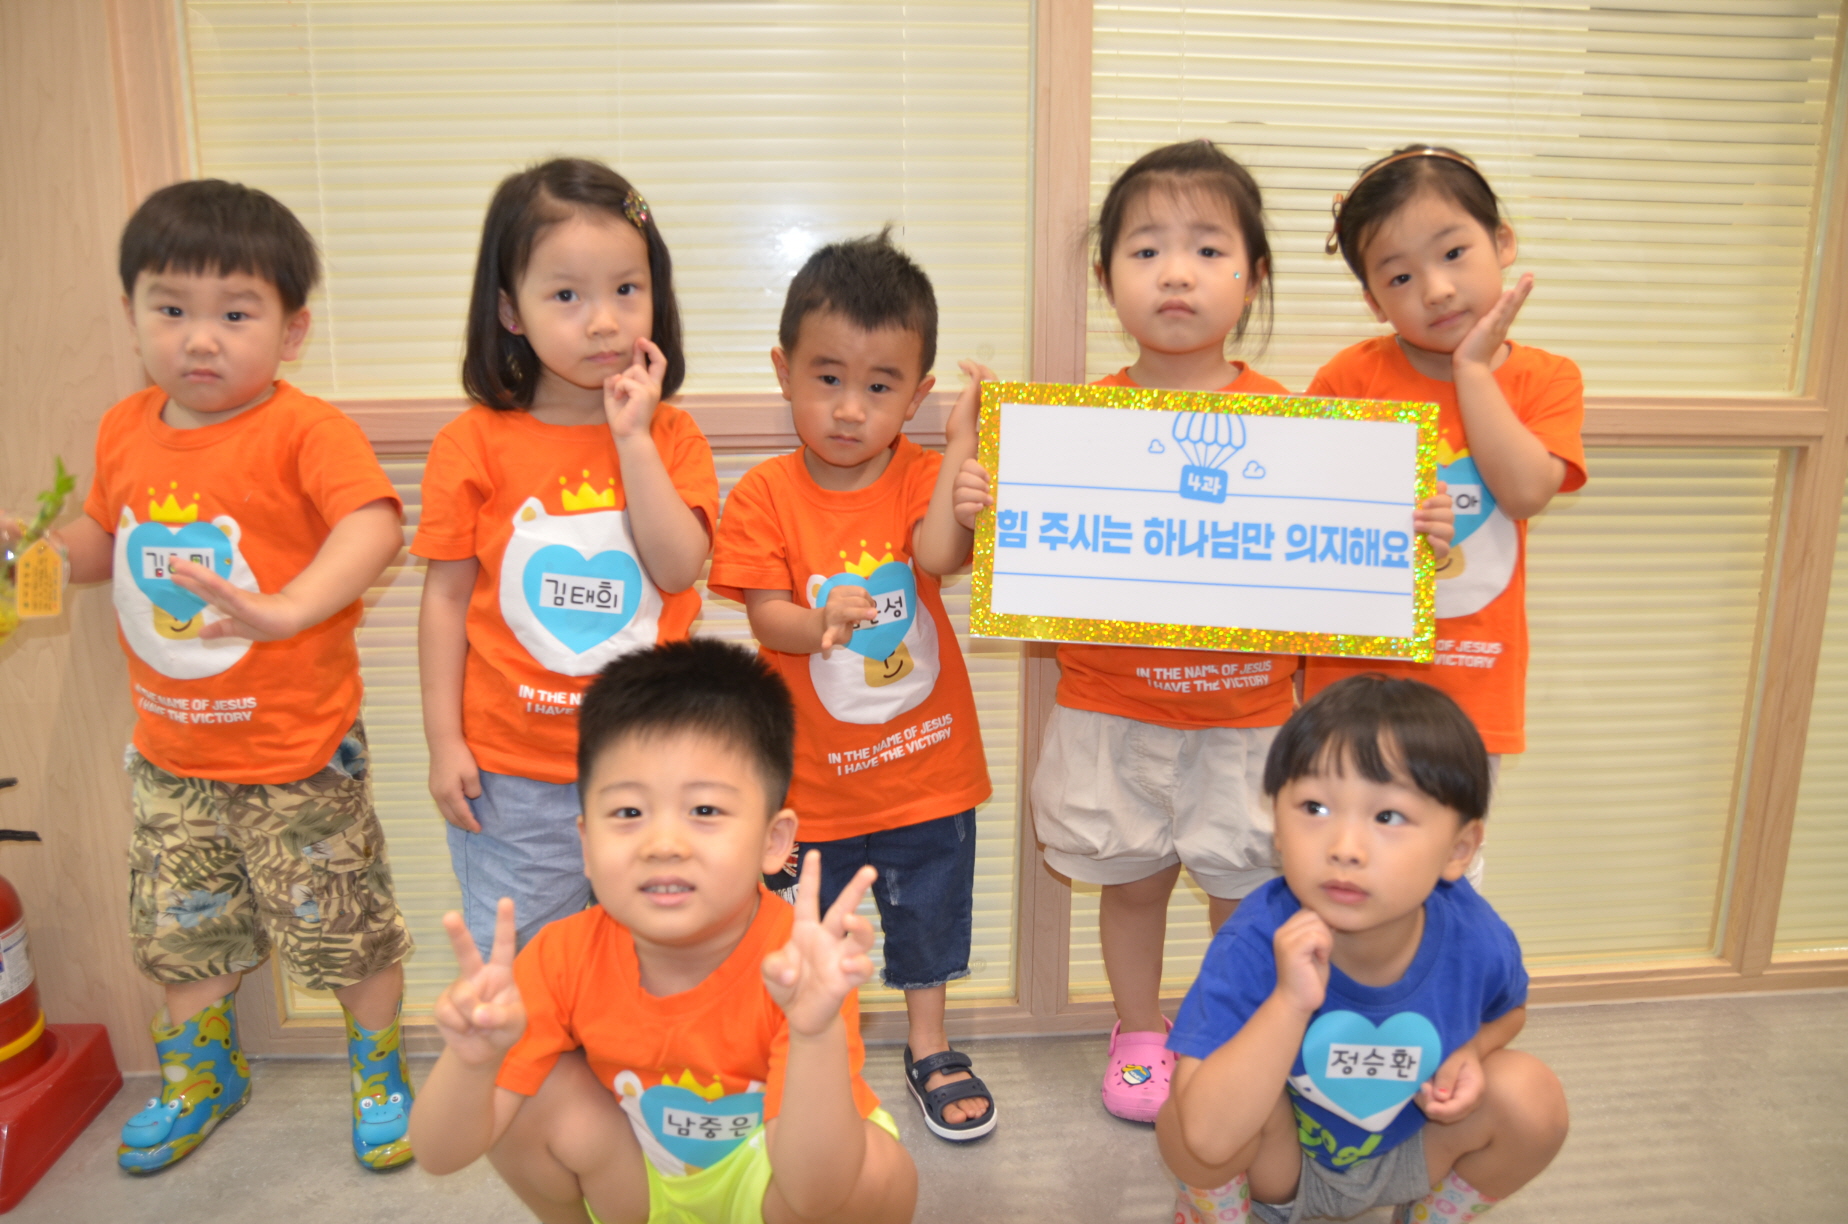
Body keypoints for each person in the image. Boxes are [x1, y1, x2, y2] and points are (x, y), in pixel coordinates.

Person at [1024, 140, 1455, 1123]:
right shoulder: (1071, 429)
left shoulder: (1301, 429)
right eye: (1146, 251)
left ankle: (1228, 1038)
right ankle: (1140, 1033)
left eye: (1209, 250)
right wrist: (988, 505)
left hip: (1251, 720)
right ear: (1106, 279)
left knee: (1245, 896)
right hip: (1110, 711)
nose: (1176, 273)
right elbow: (1037, 551)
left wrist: (1413, 540)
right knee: (1132, 886)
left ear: (1253, 275)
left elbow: (1347, 567)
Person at [52, 179, 415, 1171]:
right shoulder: (125, 428)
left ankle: (380, 1072)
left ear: (291, 331)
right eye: (171, 309)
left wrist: (291, 606)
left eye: (235, 315)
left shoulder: (305, 430)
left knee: (344, 930)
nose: (200, 339)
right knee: (183, 933)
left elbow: (374, 525)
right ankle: (204, 1077)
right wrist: (37, 554)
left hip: (298, 755)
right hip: (172, 757)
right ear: (132, 312)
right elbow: (104, 538)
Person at [409, 638, 916, 1224]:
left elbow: (816, 1197)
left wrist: (814, 1032)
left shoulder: (803, 969)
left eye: (705, 811)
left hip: (778, 1179)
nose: (663, 844)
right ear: (585, 844)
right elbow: (439, 1156)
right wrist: (471, 1062)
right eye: (628, 812)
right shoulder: (560, 957)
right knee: (530, 1093)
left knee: (877, 1177)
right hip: (639, 1178)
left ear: (773, 841)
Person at [706, 231, 998, 1142]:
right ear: (783, 371)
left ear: (915, 396)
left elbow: (938, 556)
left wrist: (961, 451)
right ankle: (810, 1047)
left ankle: (930, 1045)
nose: (848, 409)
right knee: (805, 929)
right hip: (811, 783)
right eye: (827, 377)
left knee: (926, 922)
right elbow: (765, 619)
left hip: (927, 770)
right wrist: (819, 622)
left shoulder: (921, 474)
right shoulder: (764, 494)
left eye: (879, 388)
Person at [414, 158, 718, 955]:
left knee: (649, 952)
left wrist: (633, 440)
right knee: (525, 961)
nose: (604, 322)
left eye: (627, 289)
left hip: (649, 762)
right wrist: (444, 742)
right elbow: (444, 601)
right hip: (512, 775)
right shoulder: (471, 444)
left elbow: (678, 569)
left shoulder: (672, 436)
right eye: (566, 296)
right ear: (509, 311)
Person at [1158, 675, 1568, 1224]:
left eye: (1388, 816)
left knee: (1532, 1097)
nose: (1345, 848)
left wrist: (1470, 1050)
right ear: (1276, 827)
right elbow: (1207, 1137)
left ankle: (1427, 1215)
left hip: (1412, 1147)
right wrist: (1289, 1003)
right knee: (1183, 1115)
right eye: (1314, 807)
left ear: (1459, 849)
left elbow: (1508, 1012)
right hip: (1279, 1166)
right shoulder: (1255, 940)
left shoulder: (1474, 935)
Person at [1306, 146, 1588, 865]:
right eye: (1399, 276)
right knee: (1336, 867)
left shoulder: (1546, 378)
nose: (1436, 289)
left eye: (1454, 253)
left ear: (1503, 242)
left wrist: (1472, 371)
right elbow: (1311, 518)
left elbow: (1525, 490)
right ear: (1374, 301)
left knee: (1443, 874)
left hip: (1470, 689)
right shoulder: (1350, 377)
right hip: (1349, 688)